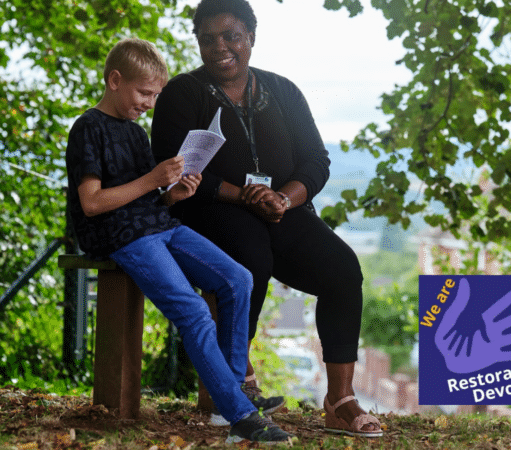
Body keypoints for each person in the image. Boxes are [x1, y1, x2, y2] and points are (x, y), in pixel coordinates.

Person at [150, 0, 383, 438]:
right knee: (250, 256)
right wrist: (244, 196)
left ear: (251, 38)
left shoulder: (283, 91)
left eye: (231, 36)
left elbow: (316, 160)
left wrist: (282, 198)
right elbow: (171, 164)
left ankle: (340, 400)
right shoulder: (183, 92)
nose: (220, 47)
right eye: (208, 39)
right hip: (207, 210)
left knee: (342, 269)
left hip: (279, 210)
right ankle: (238, 380)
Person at [65, 37, 293, 445]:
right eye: (144, 93)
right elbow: (93, 203)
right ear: (115, 80)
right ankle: (240, 415)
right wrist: (154, 179)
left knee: (238, 279)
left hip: (156, 223)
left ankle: (232, 398)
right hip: (118, 234)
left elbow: (147, 195)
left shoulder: (135, 133)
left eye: (155, 95)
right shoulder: (88, 128)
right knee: (192, 310)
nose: (150, 103)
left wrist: (172, 194)